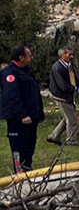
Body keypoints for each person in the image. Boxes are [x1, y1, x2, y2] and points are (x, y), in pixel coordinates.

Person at [0, 45, 45, 173]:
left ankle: (28, 169)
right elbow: (12, 97)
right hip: (18, 120)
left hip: (32, 118)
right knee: (19, 148)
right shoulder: (9, 73)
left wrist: (38, 114)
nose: (32, 58)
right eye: (29, 55)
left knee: (29, 147)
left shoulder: (26, 70)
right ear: (21, 58)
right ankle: (20, 174)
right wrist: (22, 115)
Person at [47, 47, 79, 146]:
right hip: (62, 96)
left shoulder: (69, 66)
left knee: (67, 117)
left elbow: (74, 77)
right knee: (72, 119)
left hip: (68, 95)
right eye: (69, 54)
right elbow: (62, 86)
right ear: (62, 55)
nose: (72, 56)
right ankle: (71, 140)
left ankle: (54, 136)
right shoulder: (57, 68)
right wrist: (76, 90)